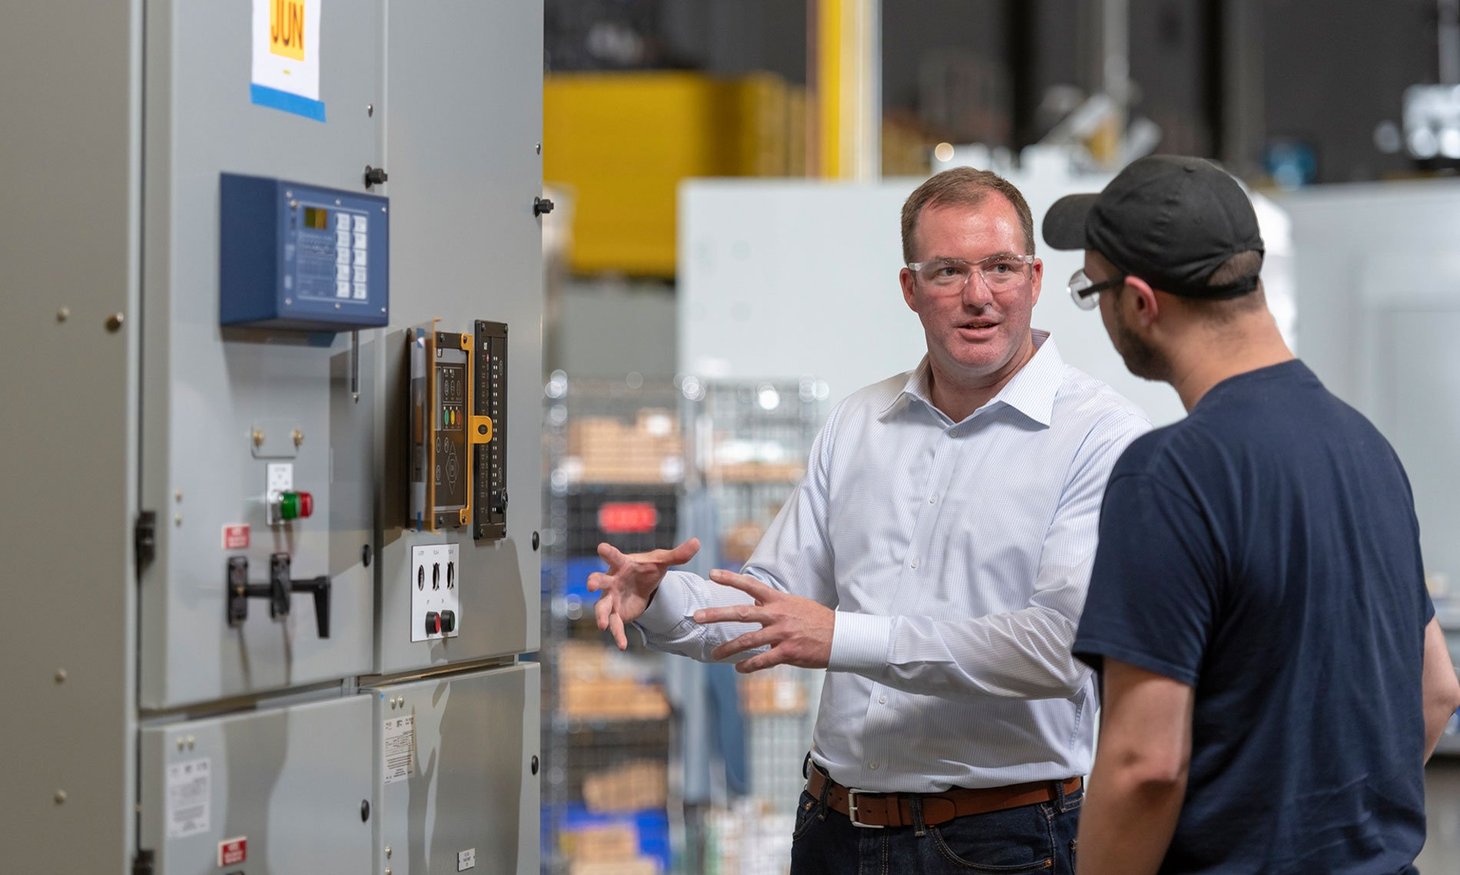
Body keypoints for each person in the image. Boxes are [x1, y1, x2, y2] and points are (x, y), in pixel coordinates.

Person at [589, 166, 1150, 874]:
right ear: (911, 289)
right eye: (947, 271)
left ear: (1035, 278)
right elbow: (771, 599)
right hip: (835, 829)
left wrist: (842, 635)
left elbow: (1060, 649)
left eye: (1000, 267)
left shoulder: (1100, 436)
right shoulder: (860, 422)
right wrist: (661, 596)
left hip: (999, 841)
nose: (978, 296)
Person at [1041, 154, 1460, 874]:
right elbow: (1436, 691)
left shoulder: (1168, 473)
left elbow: (1146, 762)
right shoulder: (1365, 446)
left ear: (1140, 302)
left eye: (1093, 289)